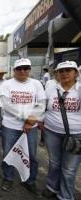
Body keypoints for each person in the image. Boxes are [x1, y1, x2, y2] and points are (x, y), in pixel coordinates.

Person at [0, 58, 46, 195]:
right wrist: (27, 117)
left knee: (31, 155)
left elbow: (42, 103)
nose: (22, 71)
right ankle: (8, 178)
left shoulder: (36, 84)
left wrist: (31, 121)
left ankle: (30, 180)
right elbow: (7, 105)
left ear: (29, 69)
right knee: (8, 153)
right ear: (14, 70)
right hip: (10, 126)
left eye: (26, 68)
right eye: (19, 68)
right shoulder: (7, 84)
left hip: (30, 127)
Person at [42, 61, 81, 200]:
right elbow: (43, 107)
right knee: (54, 163)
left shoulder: (79, 89)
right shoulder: (51, 89)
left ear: (76, 73)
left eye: (69, 70)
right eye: (61, 71)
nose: (65, 73)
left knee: (69, 170)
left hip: (76, 135)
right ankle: (52, 187)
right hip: (52, 132)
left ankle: (65, 196)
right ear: (56, 74)